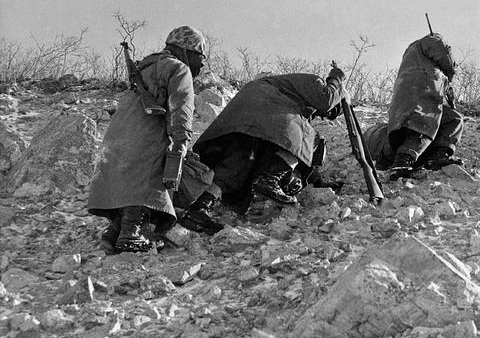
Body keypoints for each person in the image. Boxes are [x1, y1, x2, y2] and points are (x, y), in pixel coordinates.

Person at [87, 26, 213, 252]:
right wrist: (181, 142)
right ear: (186, 50)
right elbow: (180, 108)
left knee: (130, 182)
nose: (202, 64)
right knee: (151, 177)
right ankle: (131, 233)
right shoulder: (178, 68)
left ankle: (115, 231)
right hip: (146, 137)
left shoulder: (143, 70)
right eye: (200, 55)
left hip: (115, 140)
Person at [192, 66, 345, 213]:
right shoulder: (314, 82)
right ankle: (271, 178)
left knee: (238, 164)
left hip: (242, 115)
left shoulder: (291, 99)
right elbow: (326, 101)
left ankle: (200, 207)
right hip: (265, 103)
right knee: (310, 138)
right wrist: (336, 79)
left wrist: (317, 182)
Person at [367, 32, 464, 180]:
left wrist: (446, 84)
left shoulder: (418, 60)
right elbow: (440, 49)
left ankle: (438, 156)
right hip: (418, 101)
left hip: (414, 105)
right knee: (422, 124)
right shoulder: (428, 42)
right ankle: (403, 161)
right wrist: (451, 71)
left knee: (453, 119)